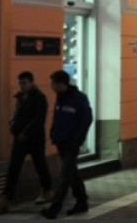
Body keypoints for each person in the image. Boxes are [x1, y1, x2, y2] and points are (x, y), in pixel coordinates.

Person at [0, 71, 53, 213]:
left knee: (40, 164)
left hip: (35, 138)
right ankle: (6, 198)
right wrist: (13, 127)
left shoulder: (40, 98)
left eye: (24, 83)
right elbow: (15, 115)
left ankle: (47, 190)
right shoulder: (20, 97)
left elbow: (39, 119)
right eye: (19, 83)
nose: (21, 86)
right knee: (13, 167)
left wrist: (26, 132)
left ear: (31, 82)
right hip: (19, 138)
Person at [40, 71, 93, 220]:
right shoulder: (60, 97)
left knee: (65, 176)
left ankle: (55, 208)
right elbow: (57, 117)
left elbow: (86, 119)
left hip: (71, 143)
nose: (51, 86)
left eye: (52, 83)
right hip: (61, 141)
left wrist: (76, 140)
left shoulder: (78, 98)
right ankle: (82, 201)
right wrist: (53, 132)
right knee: (72, 173)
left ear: (60, 83)